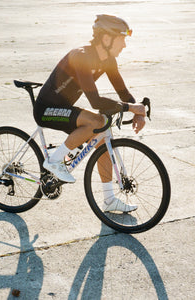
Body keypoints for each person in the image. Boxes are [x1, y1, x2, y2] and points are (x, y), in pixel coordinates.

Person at [34, 14, 146, 212]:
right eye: (122, 39)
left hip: (65, 110)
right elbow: (95, 101)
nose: (124, 46)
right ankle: (54, 161)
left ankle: (109, 200)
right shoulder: (81, 56)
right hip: (46, 109)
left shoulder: (108, 61)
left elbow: (123, 93)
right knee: (96, 120)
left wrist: (137, 110)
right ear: (106, 39)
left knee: (102, 138)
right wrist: (131, 108)